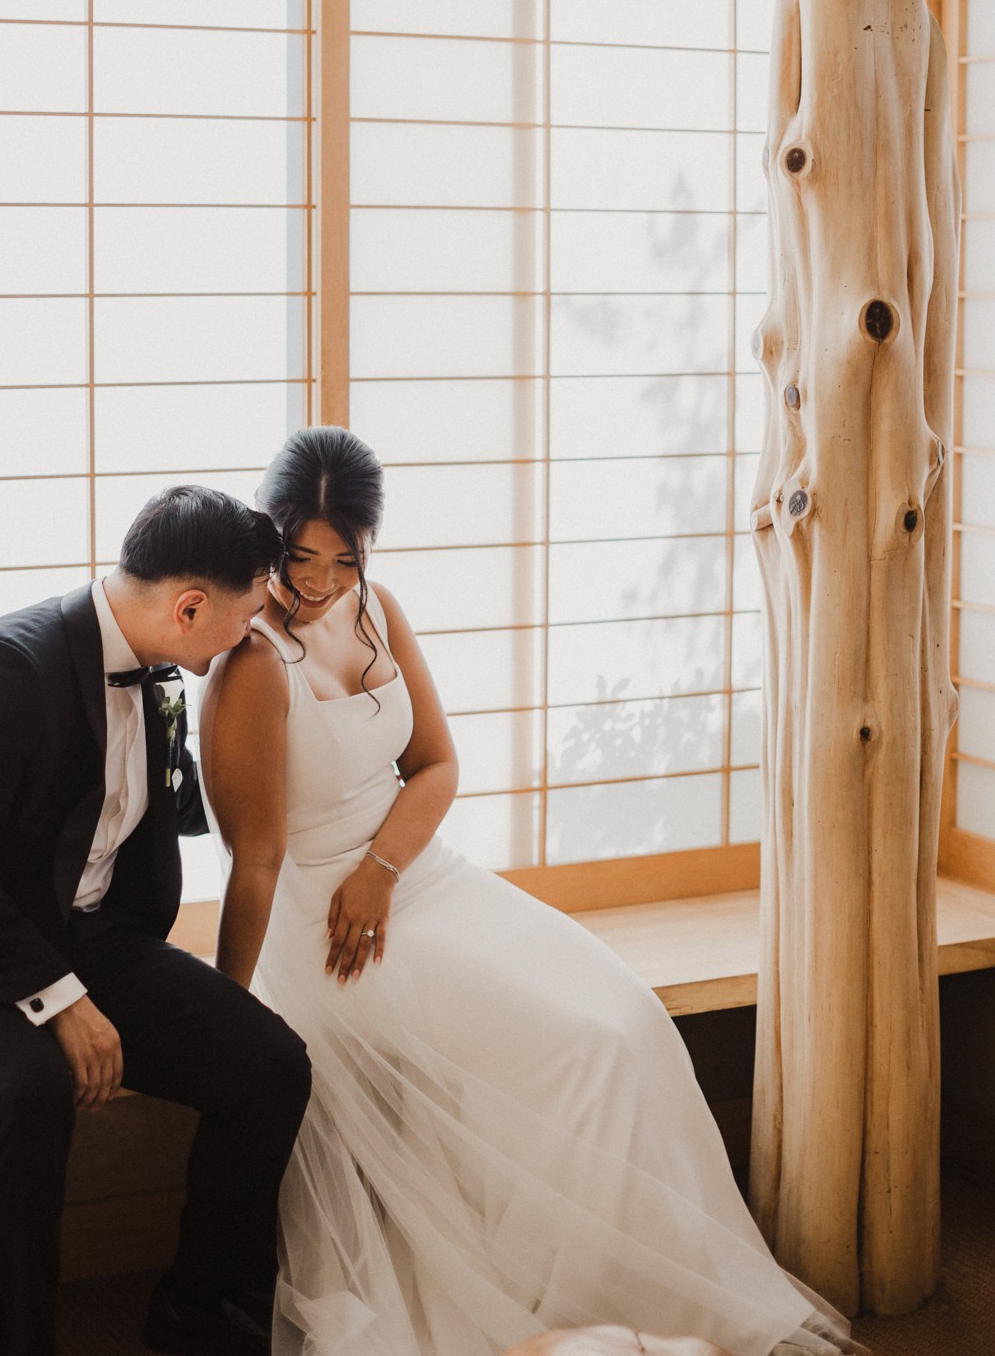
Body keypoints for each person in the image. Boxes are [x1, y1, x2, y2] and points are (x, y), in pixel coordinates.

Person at [197, 430, 865, 1356]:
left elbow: (435, 766)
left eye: (342, 559)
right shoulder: (252, 667)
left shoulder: (377, 610)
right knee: (577, 1051)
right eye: (299, 558)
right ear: (269, 539)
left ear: (368, 550)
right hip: (322, 921)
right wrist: (228, 1007)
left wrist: (383, 867)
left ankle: (640, 1294)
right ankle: (563, 1302)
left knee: (628, 1019)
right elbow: (255, 860)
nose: (318, 583)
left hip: (407, 878)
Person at [0, 486, 313, 1356]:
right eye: (248, 616)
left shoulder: (165, 671)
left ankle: (198, 1311)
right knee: (28, 1094)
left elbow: (151, 811)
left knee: (270, 1064)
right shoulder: (2, 668)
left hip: (92, 933)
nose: (253, 636)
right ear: (190, 607)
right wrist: (59, 998)